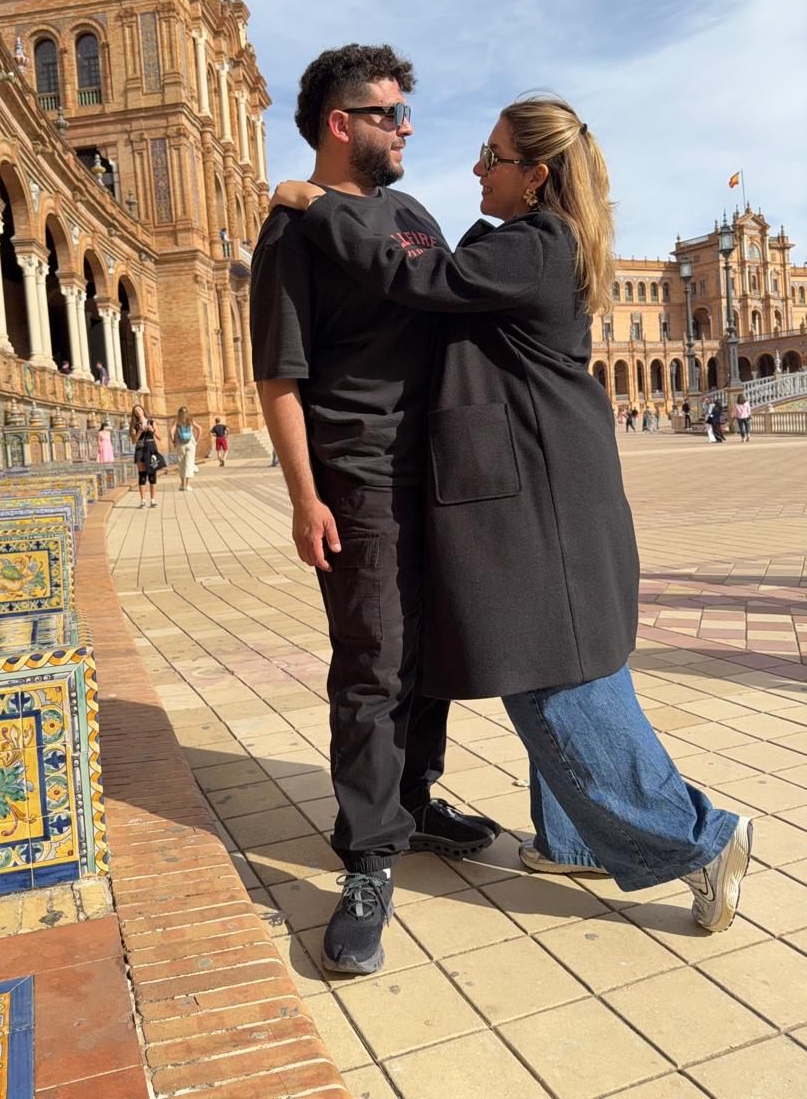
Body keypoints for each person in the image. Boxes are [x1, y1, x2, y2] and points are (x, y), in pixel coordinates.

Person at [272, 92, 752, 947]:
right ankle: (573, 842)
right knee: (568, 660)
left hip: (544, 492)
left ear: (535, 175)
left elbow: (421, 279)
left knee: (552, 680)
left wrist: (320, 206)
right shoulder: (538, 242)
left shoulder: (534, 245)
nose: (475, 168)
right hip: (547, 480)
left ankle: (698, 842)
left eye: (491, 157)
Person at [250, 44, 500, 976]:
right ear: (339, 122)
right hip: (358, 478)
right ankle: (367, 857)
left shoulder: (413, 216)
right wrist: (304, 497)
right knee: (373, 663)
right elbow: (279, 375)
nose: (405, 128)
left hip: (441, 469)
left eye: (404, 112)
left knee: (430, 653)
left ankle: (415, 800)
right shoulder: (291, 234)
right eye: (388, 114)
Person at [129, 405, 161, 507]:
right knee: (142, 475)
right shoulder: (134, 425)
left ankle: (153, 500)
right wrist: (140, 431)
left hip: (151, 448)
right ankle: (143, 500)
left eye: (139, 409)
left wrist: (152, 430)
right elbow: (134, 440)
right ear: (134, 414)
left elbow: (159, 437)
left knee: (152, 474)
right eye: (135, 411)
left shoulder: (151, 422)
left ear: (143, 410)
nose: (138, 412)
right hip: (140, 449)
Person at [169, 406, 200, 491]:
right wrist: (196, 441)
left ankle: (182, 485)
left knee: (181, 463)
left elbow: (171, 432)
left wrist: (173, 441)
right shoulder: (190, 420)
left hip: (180, 444)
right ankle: (188, 485)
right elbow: (200, 429)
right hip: (190, 444)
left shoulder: (176, 421)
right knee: (189, 463)